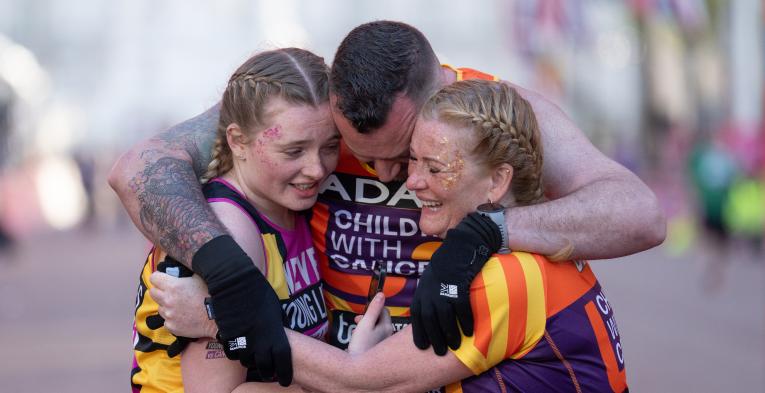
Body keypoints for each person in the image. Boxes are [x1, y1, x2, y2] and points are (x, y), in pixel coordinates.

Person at [109, 20, 664, 373]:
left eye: (406, 157)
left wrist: (487, 233)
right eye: (352, 150)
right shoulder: (317, 101)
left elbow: (639, 213)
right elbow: (140, 168)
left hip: (453, 354)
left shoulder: (488, 110)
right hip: (334, 359)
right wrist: (230, 278)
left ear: (440, 95)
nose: (389, 173)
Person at [153, 79, 629, 392]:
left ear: (498, 182)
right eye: (413, 160)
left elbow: (360, 383)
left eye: (434, 167)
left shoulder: (508, 278)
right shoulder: (528, 248)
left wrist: (219, 316)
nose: (409, 182)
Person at [131, 47, 339, 392]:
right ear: (238, 141)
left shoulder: (286, 202)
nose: (317, 169)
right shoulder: (232, 228)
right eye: (293, 151)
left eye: (330, 146)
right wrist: (350, 379)